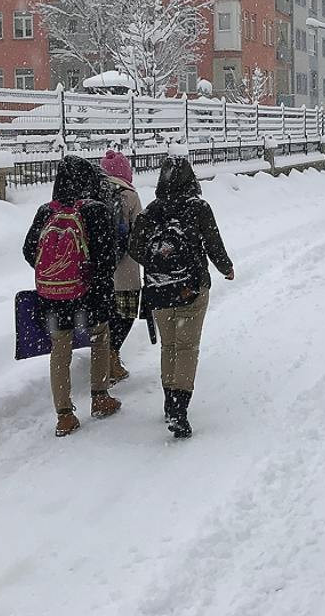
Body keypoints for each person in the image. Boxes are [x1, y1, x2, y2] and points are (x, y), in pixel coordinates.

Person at [128, 155, 234, 439]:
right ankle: (179, 408)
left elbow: (135, 248)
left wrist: (158, 260)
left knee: (169, 346)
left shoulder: (151, 211)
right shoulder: (198, 208)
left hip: (159, 289)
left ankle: (168, 401)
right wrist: (226, 267)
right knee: (187, 348)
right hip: (191, 287)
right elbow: (213, 242)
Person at [22, 155, 122, 438]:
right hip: (90, 293)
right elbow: (106, 257)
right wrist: (91, 280)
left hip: (53, 295)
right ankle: (100, 397)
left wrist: (56, 272)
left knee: (60, 349)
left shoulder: (46, 211)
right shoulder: (95, 210)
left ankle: (64, 415)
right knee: (100, 338)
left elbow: (29, 250)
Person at [100, 149, 143, 385]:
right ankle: (112, 356)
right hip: (125, 269)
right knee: (125, 314)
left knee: (105, 316)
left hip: (99, 269)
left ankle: (104, 357)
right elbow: (140, 231)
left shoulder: (93, 193)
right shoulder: (130, 195)